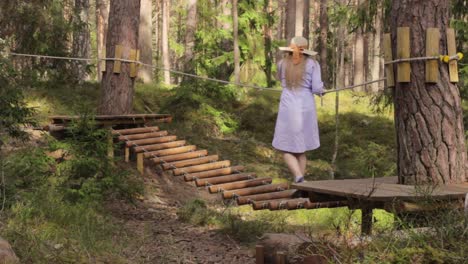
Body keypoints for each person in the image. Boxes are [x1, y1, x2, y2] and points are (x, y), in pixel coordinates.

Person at [272, 36, 325, 183]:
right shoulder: (313, 64)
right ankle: (300, 179)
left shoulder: (282, 63)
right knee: (301, 148)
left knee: (286, 147)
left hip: (288, 106)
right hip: (305, 105)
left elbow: (280, 81)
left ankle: (299, 178)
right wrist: (322, 90)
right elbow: (316, 88)